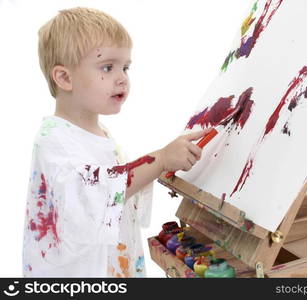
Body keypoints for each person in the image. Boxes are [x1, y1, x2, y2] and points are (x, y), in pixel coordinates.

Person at [22, 7, 209, 277]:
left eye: (125, 67)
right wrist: (160, 160)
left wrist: (164, 166)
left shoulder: (102, 134)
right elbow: (94, 195)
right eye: (107, 67)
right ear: (64, 78)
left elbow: (119, 195)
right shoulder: (54, 139)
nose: (122, 78)